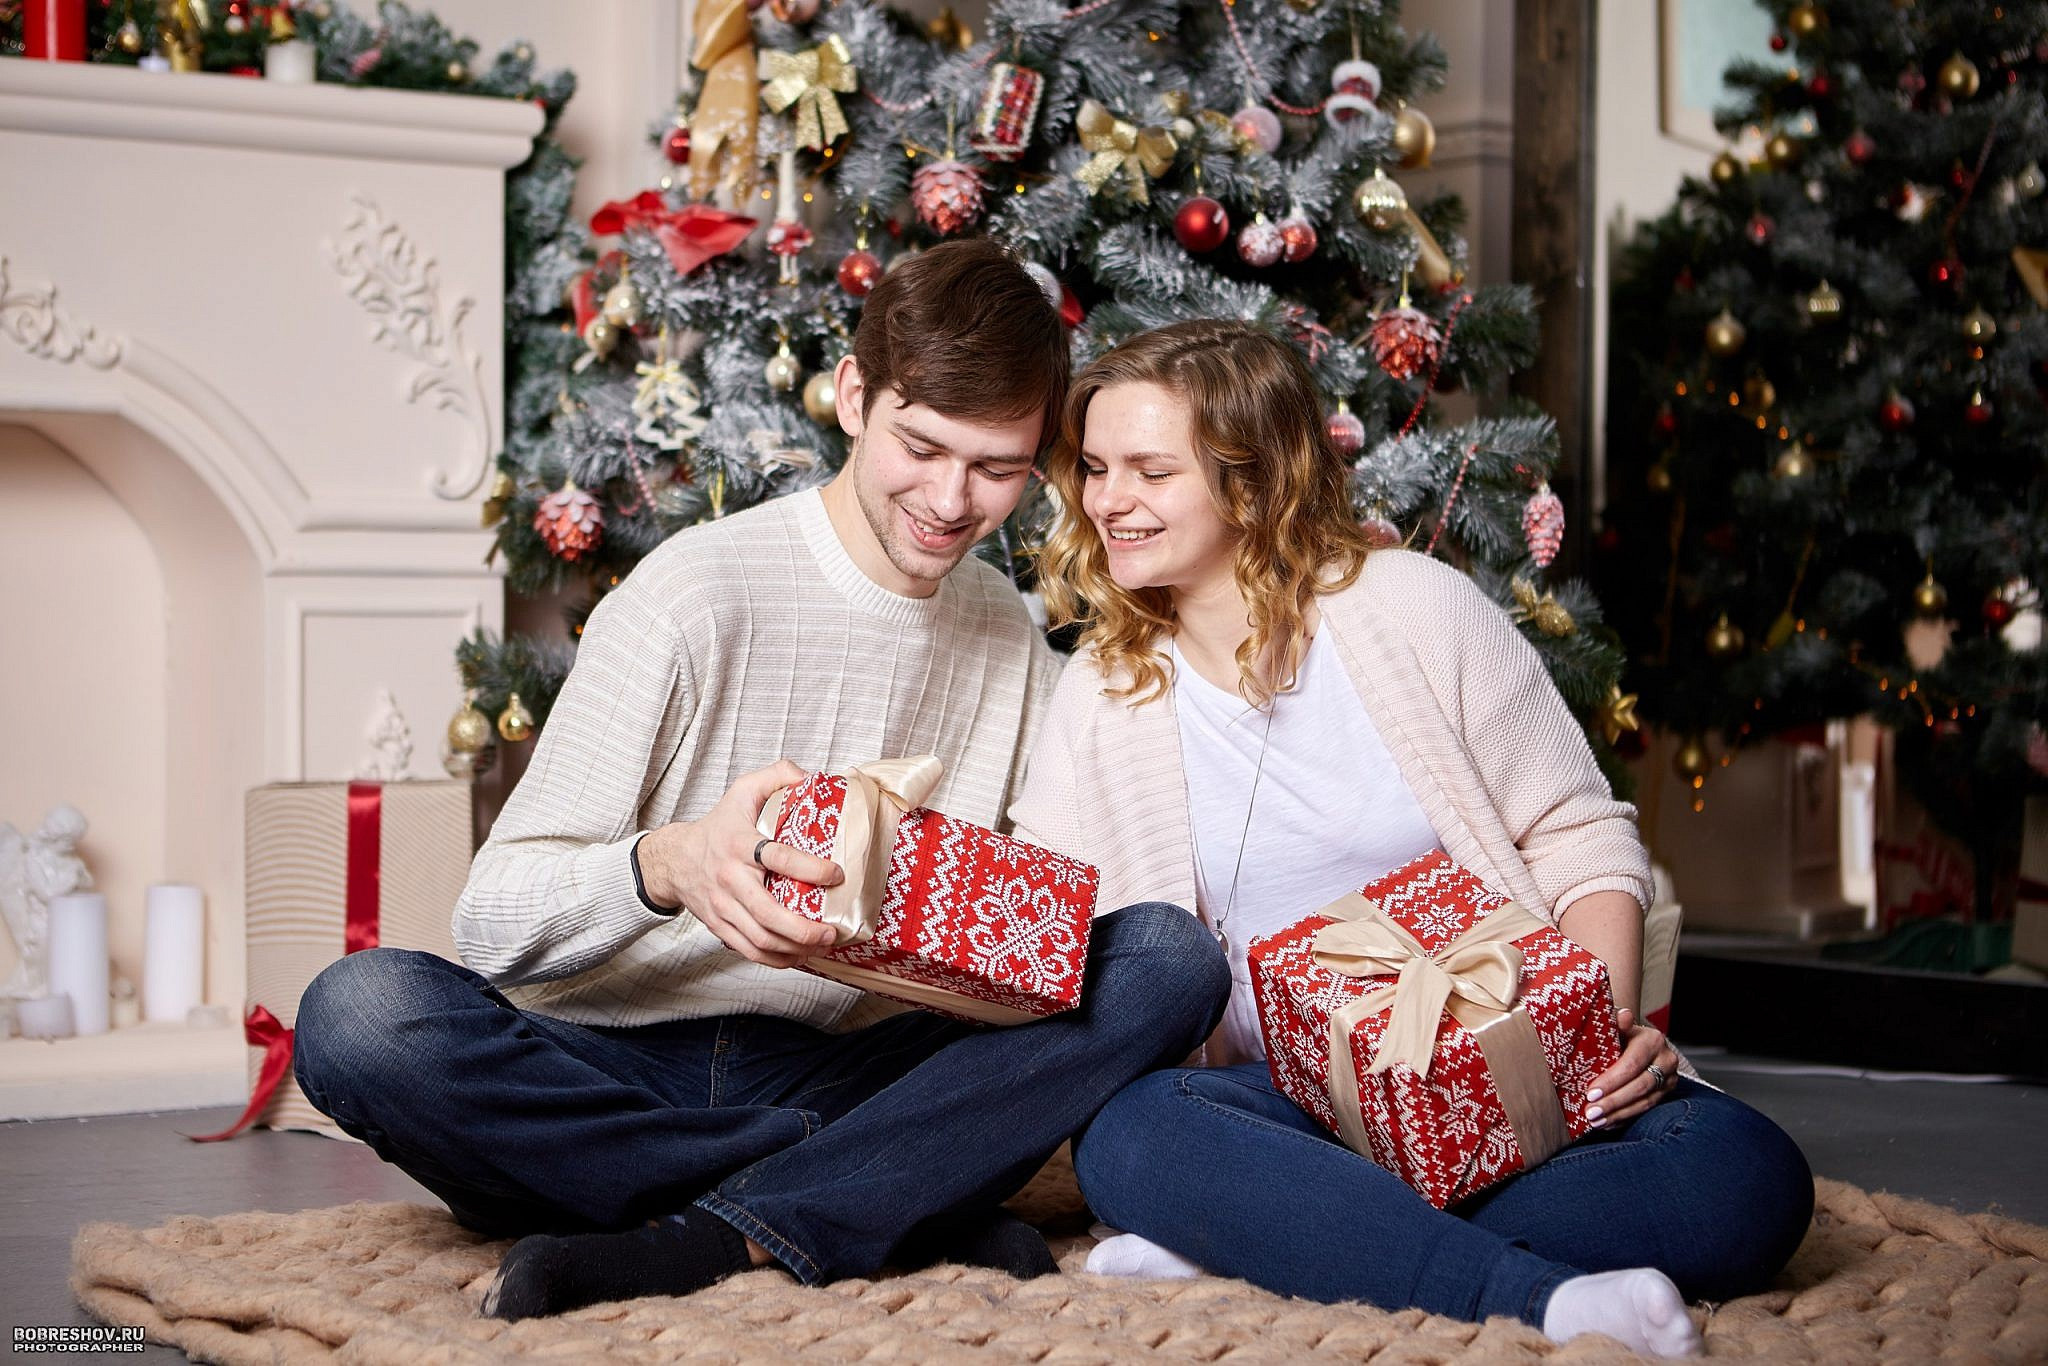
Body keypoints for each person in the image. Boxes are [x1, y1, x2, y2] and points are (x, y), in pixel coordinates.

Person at [290, 241, 1229, 1322]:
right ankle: (870, 1194)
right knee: (361, 1015)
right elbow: (494, 923)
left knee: (1164, 958)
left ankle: (713, 1230)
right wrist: (669, 866)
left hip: (840, 1065)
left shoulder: (1010, 641)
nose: (949, 498)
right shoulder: (692, 595)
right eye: (921, 446)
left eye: (996, 467)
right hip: (603, 1063)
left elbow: (1034, 939)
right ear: (854, 397)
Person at [1010, 319, 1812, 1358]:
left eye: (1150, 471)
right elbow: (1051, 922)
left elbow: (1577, 832)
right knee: (1132, 1135)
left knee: (1742, 1178)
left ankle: (1275, 1235)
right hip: (1278, 1103)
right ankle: (1533, 1298)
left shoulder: (1414, 609)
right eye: (1095, 467)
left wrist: (1596, 1040)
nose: (1106, 500)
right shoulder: (1102, 688)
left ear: (1254, 479)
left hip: (1500, 1083)